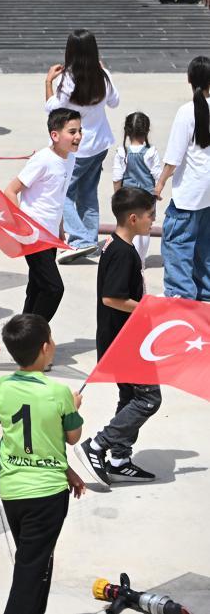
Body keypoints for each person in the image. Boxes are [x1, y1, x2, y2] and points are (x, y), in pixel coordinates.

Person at [0, 313, 85, 614]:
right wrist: (73, 407)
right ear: (46, 347)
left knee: (37, 562)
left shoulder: (3, 386)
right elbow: (72, 437)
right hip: (45, 495)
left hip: (12, 489)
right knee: (32, 569)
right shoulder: (58, 392)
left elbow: (21, 435)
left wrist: (67, 469)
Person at [75, 188, 158, 487]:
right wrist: (148, 310)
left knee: (130, 395)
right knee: (149, 398)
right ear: (133, 218)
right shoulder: (123, 252)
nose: (153, 221)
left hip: (119, 338)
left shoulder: (114, 244)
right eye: (150, 216)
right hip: (125, 341)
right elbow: (112, 297)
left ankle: (120, 459)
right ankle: (97, 445)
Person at [45, 29, 120, 262]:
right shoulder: (103, 75)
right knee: (88, 193)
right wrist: (103, 68)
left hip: (76, 146)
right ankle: (88, 239)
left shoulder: (67, 80)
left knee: (64, 193)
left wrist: (48, 81)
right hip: (99, 145)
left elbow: (52, 109)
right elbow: (115, 102)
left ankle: (79, 238)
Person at [4, 109, 82, 324]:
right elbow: (10, 190)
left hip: (50, 235)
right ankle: (33, 334)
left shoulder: (70, 159)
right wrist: (21, 226)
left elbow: (58, 195)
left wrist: (60, 225)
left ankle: (22, 335)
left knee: (37, 286)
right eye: (72, 131)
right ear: (55, 135)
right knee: (54, 288)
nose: (78, 136)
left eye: (79, 131)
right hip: (34, 235)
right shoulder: (43, 160)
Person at [154, 55, 210, 301]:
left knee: (177, 244)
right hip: (208, 194)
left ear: (189, 80)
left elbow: (174, 157)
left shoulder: (187, 112)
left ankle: (181, 296)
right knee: (204, 248)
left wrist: (160, 182)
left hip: (189, 193)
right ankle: (206, 296)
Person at [110, 112, 162, 261]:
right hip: (146, 199)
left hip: (127, 197)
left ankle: (129, 256)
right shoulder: (151, 152)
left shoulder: (122, 152)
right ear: (147, 130)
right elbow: (157, 174)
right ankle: (141, 259)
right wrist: (158, 191)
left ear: (127, 131)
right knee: (145, 229)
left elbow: (116, 178)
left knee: (127, 227)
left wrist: (117, 196)